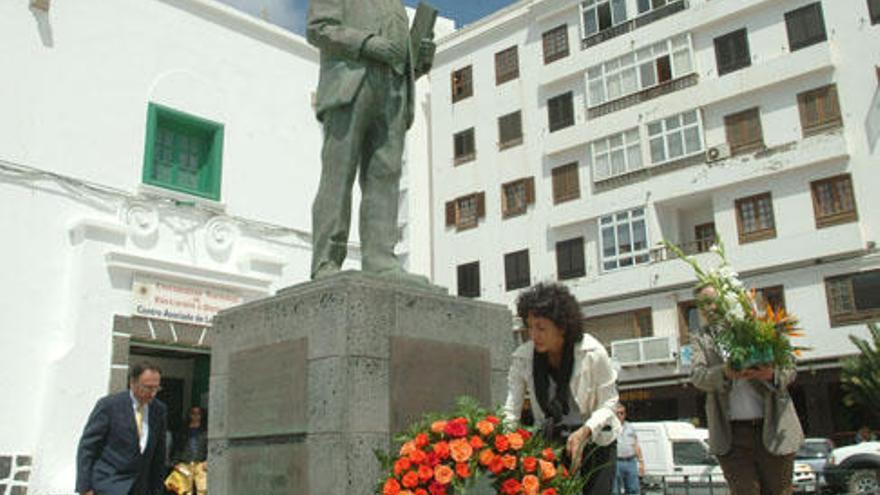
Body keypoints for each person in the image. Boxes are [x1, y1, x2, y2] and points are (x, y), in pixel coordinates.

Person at [306, 0, 436, 281]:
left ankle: (380, 260)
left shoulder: (397, 7)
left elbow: (402, 55)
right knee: (338, 174)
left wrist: (420, 59)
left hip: (394, 88)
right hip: (351, 82)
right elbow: (318, 29)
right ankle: (326, 261)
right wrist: (366, 43)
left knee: (386, 175)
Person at [503, 282, 621, 494]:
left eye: (541, 328)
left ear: (562, 327)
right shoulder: (523, 357)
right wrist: (503, 443)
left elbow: (609, 402)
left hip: (595, 438)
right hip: (551, 438)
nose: (534, 335)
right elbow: (511, 410)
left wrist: (584, 432)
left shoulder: (592, 351)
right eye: (529, 327)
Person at [691, 285, 804, 495]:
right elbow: (698, 377)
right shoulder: (701, 338)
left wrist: (770, 374)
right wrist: (724, 373)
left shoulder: (760, 326)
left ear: (728, 299)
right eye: (701, 305)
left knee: (779, 490)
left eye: (710, 301)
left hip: (773, 428)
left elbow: (790, 368)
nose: (707, 309)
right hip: (731, 435)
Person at [76, 362, 168, 495]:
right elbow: (88, 447)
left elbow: (159, 454)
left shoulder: (159, 410)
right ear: (132, 382)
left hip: (140, 488)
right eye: (148, 388)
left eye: (156, 388)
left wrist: (157, 490)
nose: (152, 394)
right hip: (108, 485)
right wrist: (85, 488)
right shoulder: (110, 406)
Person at [613, 403, 644, 495]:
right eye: (617, 413)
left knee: (633, 489)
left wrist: (641, 462)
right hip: (616, 462)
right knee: (615, 490)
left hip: (631, 461)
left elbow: (636, 444)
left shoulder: (631, 427)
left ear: (625, 414)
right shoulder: (611, 428)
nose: (619, 415)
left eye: (622, 413)